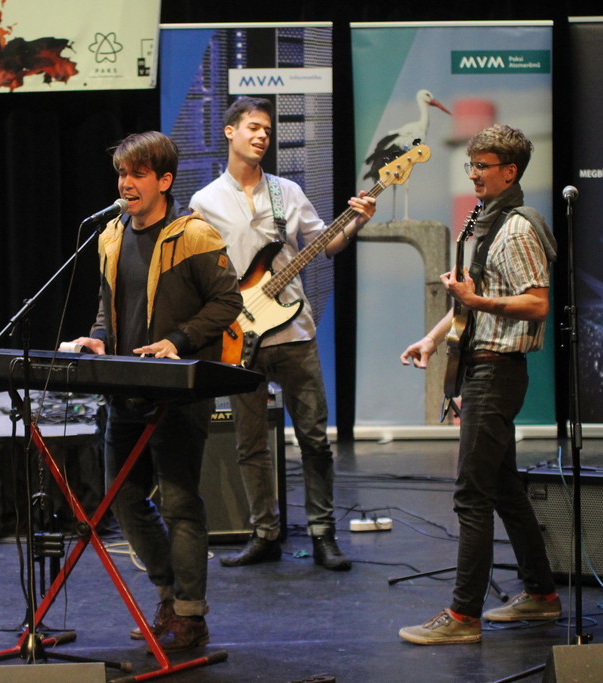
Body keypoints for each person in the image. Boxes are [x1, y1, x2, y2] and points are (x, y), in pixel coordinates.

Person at [71, 131, 242, 653]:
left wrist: (178, 341)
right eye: (122, 174)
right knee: (123, 498)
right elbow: (107, 306)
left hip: (178, 393)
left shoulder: (195, 235)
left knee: (179, 501)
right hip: (125, 388)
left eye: (137, 174)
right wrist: (97, 338)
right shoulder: (109, 236)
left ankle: (189, 615)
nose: (126, 183)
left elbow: (228, 303)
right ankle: (171, 596)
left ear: (164, 181)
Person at [189, 96, 375, 570]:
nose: (262, 136)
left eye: (267, 131)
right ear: (230, 131)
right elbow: (199, 271)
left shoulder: (287, 192)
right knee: (249, 444)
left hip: (294, 332)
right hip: (240, 336)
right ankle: (265, 533)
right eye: (253, 127)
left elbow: (325, 243)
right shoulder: (204, 202)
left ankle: (322, 533)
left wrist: (355, 221)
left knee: (314, 438)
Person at [398, 124, 559, 644]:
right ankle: (542, 595)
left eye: (482, 167)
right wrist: (431, 338)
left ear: (509, 172)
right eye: (471, 165)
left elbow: (537, 303)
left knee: (472, 494)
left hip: (498, 370)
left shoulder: (518, 228)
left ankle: (463, 617)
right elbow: (471, 300)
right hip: (483, 365)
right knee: (505, 489)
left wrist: (478, 301)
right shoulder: (488, 223)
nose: (473, 175)